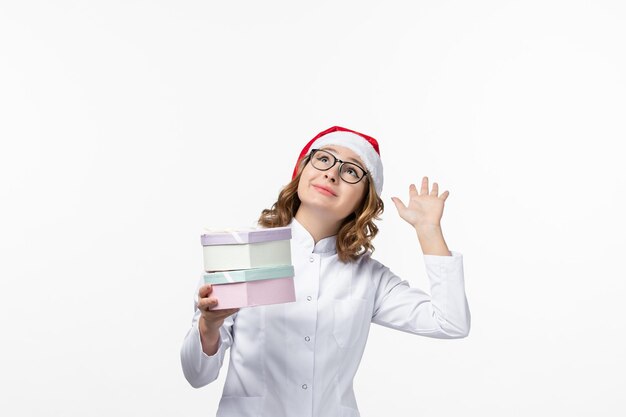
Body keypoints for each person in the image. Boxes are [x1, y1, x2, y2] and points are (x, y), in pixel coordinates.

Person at [180, 126, 471, 417]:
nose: (332, 174)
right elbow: (197, 375)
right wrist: (209, 325)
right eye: (323, 159)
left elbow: (451, 322)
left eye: (352, 171)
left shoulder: (370, 278)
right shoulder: (242, 254)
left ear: (365, 200)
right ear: (302, 171)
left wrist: (429, 231)